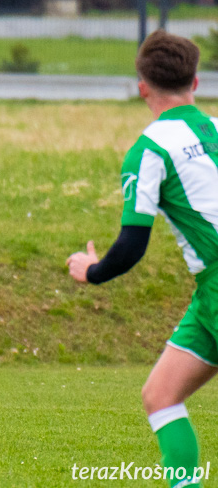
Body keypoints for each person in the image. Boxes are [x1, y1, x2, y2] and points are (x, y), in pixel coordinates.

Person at [67, 30, 217, 487]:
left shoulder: (148, 151)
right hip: (208, 290)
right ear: (195, 81)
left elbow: (133, 244)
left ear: (142, 88)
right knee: (161, 395)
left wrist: (92, 271)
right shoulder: (213, 127)